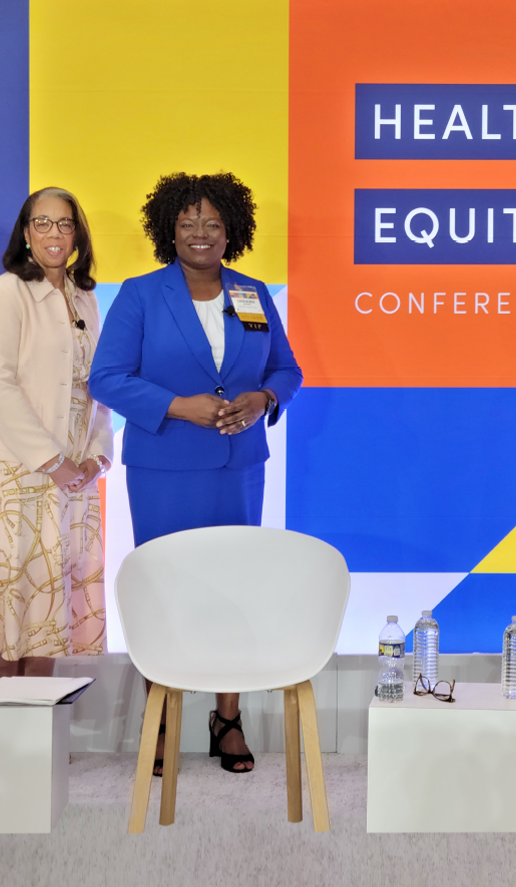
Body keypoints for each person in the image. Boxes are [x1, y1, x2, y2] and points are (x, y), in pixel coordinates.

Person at [90, 172, 302, 775]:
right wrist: (180, 405)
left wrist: (262, 399)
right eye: (187, 224)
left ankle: (227, 717)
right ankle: (160, 718)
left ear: (231, 229)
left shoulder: (254, 294)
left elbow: (287, 370)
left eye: (212, 223)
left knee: (234, 593)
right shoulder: (140, 294)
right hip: (165, 469)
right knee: (168, 594)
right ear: (169, 231)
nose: (200, 234)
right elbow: (106, 377)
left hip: (238, 469)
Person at [0, 187, 112, 678]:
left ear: (77, 235)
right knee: (7, 597)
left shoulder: (86, 297)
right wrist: (52, 460)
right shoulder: (6, 290)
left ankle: (36, 727)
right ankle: (4, 730)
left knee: (54, 596)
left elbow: (101, 384)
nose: (53, 233)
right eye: (42, 223)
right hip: (14, 468)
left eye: (64, 223)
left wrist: (97, 457)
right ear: (25, 234)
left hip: (73, 476)